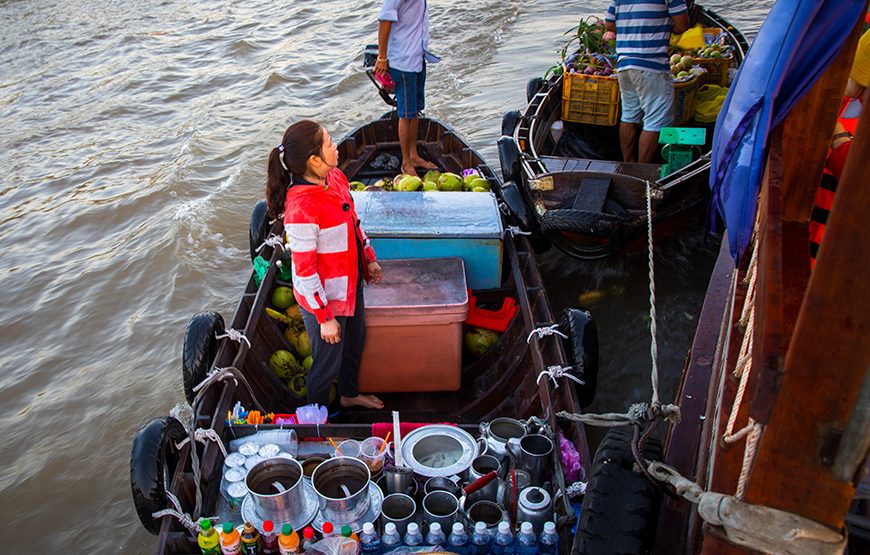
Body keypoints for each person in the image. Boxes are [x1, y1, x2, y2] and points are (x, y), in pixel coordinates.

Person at [265, 120, 384, 410]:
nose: (336, 148)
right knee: (325, 363)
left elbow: (354, 224)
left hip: (350, 283)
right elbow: (304, 271)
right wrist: (324, 317)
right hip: (324, 298)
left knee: (355, 344)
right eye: (330, 143)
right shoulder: (302, 209)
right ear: (314, 160)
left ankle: (348, 393)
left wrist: (368, 257)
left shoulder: (336, 178)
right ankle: (317, 421)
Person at [605, 0, 689, 163]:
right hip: (651, 64)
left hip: (624, 63)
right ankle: (641, 168)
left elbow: (609, 25)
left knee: (629, 115)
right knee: (655, 120)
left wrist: (632, 33)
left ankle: (628, 163)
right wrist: (663, 29)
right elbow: (683, 25)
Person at [374, 0, 439, 177]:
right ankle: (406, 162)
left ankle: (414, 154)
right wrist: (382, 57)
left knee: (415, 110)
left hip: (417, 56)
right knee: (405, 114)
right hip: (403, 62)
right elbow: (385, 20)